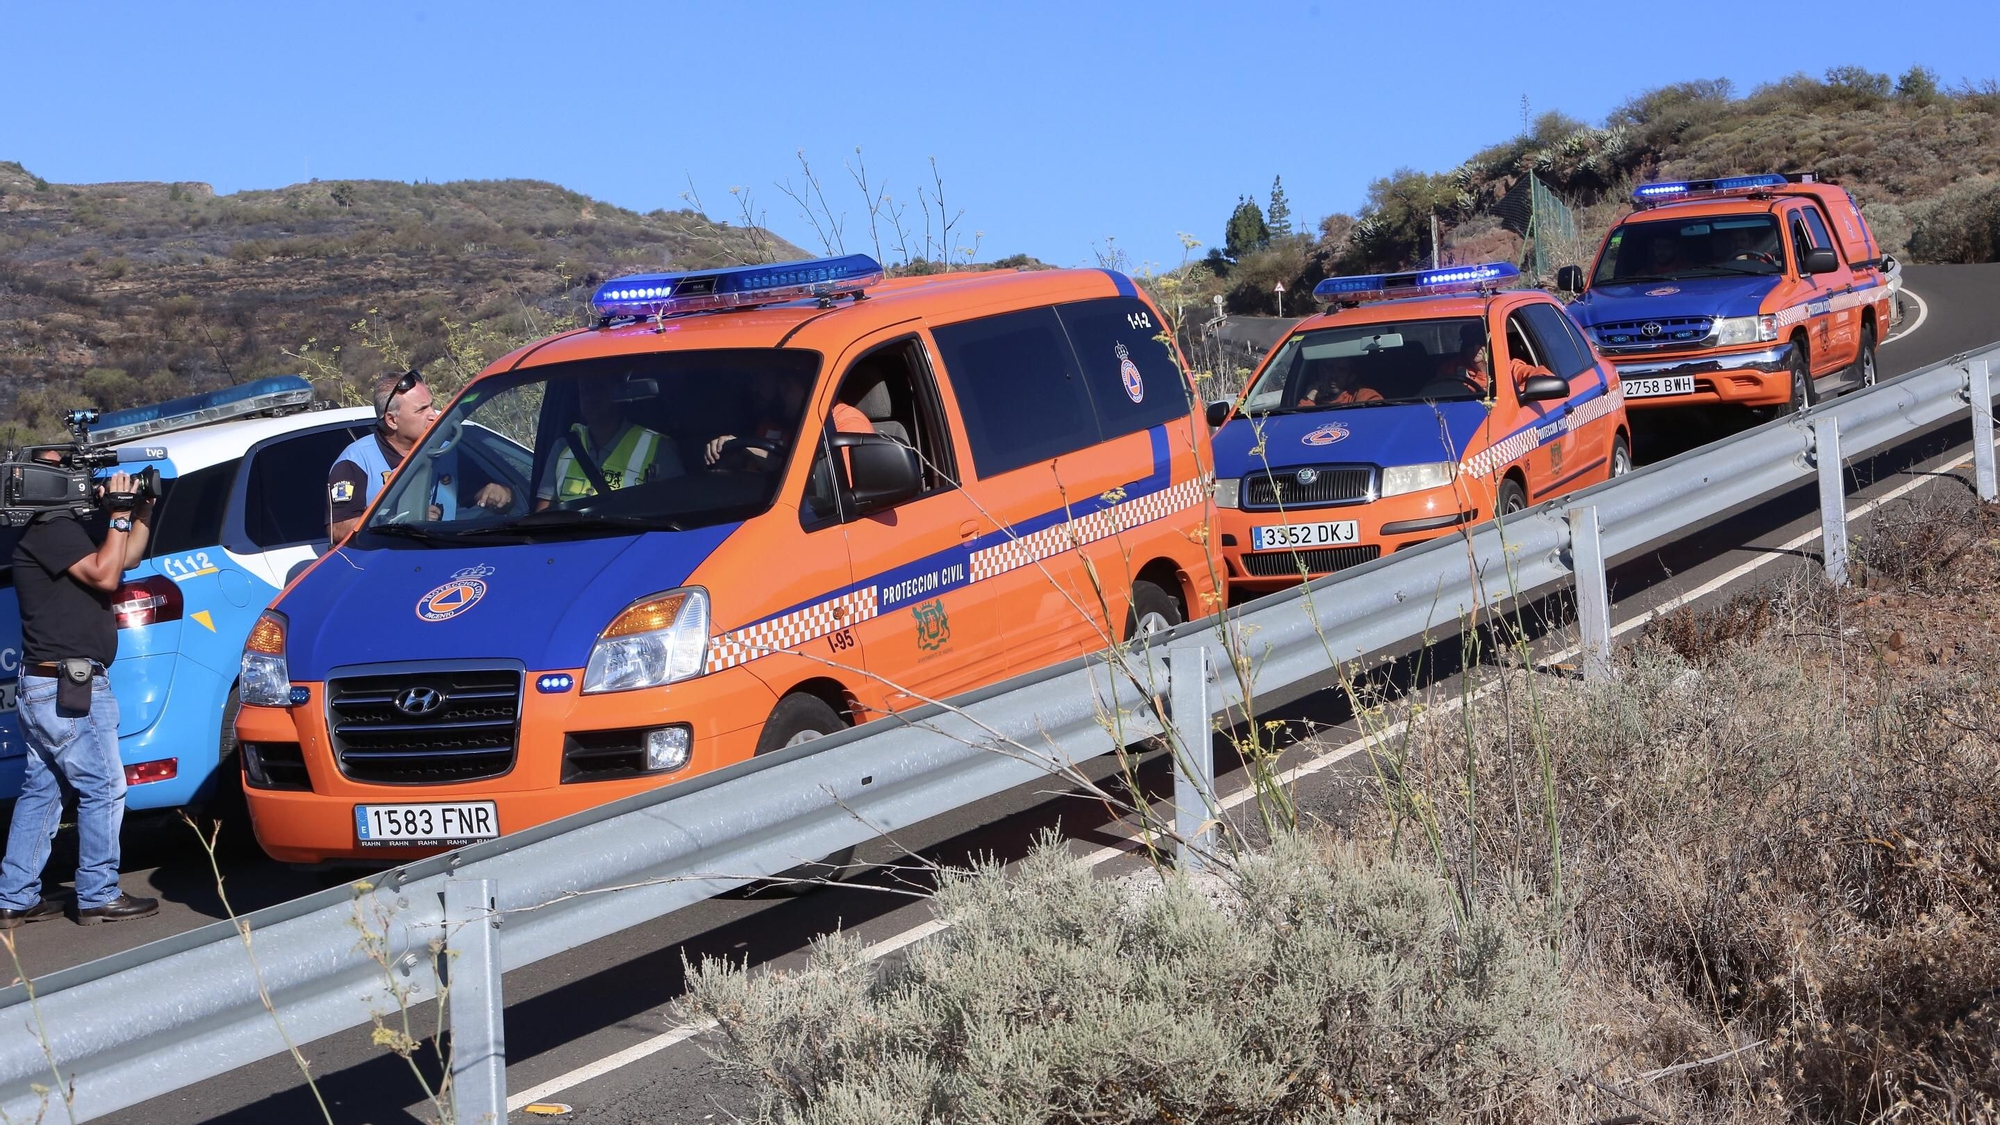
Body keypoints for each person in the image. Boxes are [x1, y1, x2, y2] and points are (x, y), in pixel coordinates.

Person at [0, 459, 158, 928]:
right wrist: (118, 514)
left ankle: (15, 896)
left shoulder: (57, 530)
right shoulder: (51, 529)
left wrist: (141, 510)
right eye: (63, 470)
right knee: (104, 786)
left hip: (49, 683)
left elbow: (124, 559)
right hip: (70, 683)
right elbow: (107, 577)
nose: (77, 479)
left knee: (44, 791)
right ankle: (98, 893)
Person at [326, 370, 510, 541]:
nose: (433, 415)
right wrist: (401, 521)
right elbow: (338, 528)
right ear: (392, 420)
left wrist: (500, 494)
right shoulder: (356, 461)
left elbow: (495, 497)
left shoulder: (447, 451)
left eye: (431, 405)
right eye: (421, 410)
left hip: (446, 554)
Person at [536, 377, 682, 510]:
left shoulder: (659, 447)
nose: (589, 396)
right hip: (568, 531)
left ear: (619, 393)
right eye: (584, 390)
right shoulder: (563, 447)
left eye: (598, 388)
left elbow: (675, 509)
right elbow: (543, 515)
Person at [703, 368, 870, 472]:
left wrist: (756, 451)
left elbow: (829, 490)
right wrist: (731, 453)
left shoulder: (845, 423)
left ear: (811, 389)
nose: (782, 394)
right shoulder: (774, 422)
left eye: (788, 387)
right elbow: (752, 472)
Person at [1297, 356, 1383, 407]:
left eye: (1341, 370)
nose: (1334, 375)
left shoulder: (1364, 395)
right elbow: (1301, 422)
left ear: (1351, 377)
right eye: (1330, 368)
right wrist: (1311, 396)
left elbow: (1372, 419)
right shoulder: (1315, 399)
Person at [1436, 323, 1491, 395]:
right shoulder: (1452, 367)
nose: (1476, 347)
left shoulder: (1501, 366)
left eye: (1481, 342)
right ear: (1464, 346)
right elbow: (1440, 390)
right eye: (1470, 343)